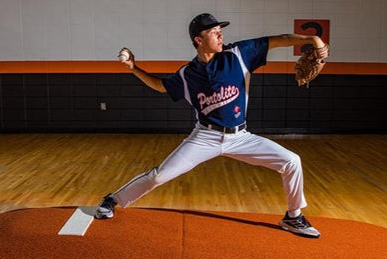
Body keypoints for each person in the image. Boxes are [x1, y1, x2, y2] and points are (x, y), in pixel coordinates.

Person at [95, 13, 329, 237]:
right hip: (204, 137)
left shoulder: (239, 54)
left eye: (220, 31)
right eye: (214, 32)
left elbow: (281, 40)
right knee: (158, 176)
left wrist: (311, 39)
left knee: (291, 161)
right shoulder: (188, 74)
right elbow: (160, 86)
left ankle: (293, 216)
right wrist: (134, 69)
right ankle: (113, 200)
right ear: (198, 40)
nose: (220, 36)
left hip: (241, 137)